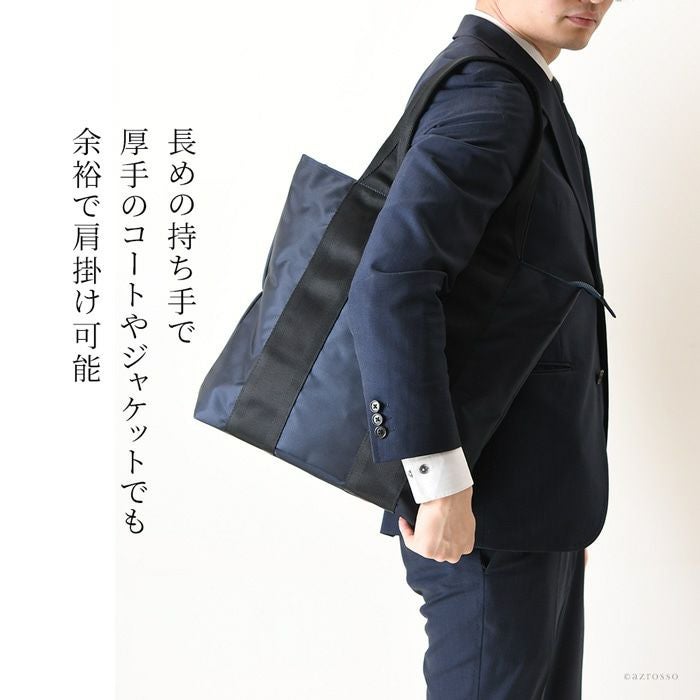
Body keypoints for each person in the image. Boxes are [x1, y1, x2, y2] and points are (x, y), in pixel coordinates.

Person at [346, 1, 617, 697]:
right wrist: (438, 484)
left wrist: (562, 524)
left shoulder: (524, 89)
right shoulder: (490, 94)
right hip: (480, 513)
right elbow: (392, 283)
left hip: (529, 512)